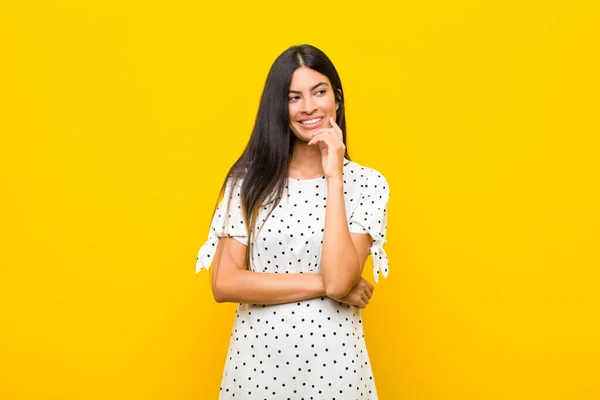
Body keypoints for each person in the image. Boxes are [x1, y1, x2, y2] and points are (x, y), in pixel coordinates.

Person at [196, 44, 390, 399]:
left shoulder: (367, 184)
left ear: (337, 99)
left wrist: (334, 175)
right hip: (256, 369)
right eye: (293, 97)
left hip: (336, 370)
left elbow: (339, 278)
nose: (309, 107)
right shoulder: (248, 181)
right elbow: (224, 282)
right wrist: (332, 284)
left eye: (319, 92)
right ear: (279, 108)